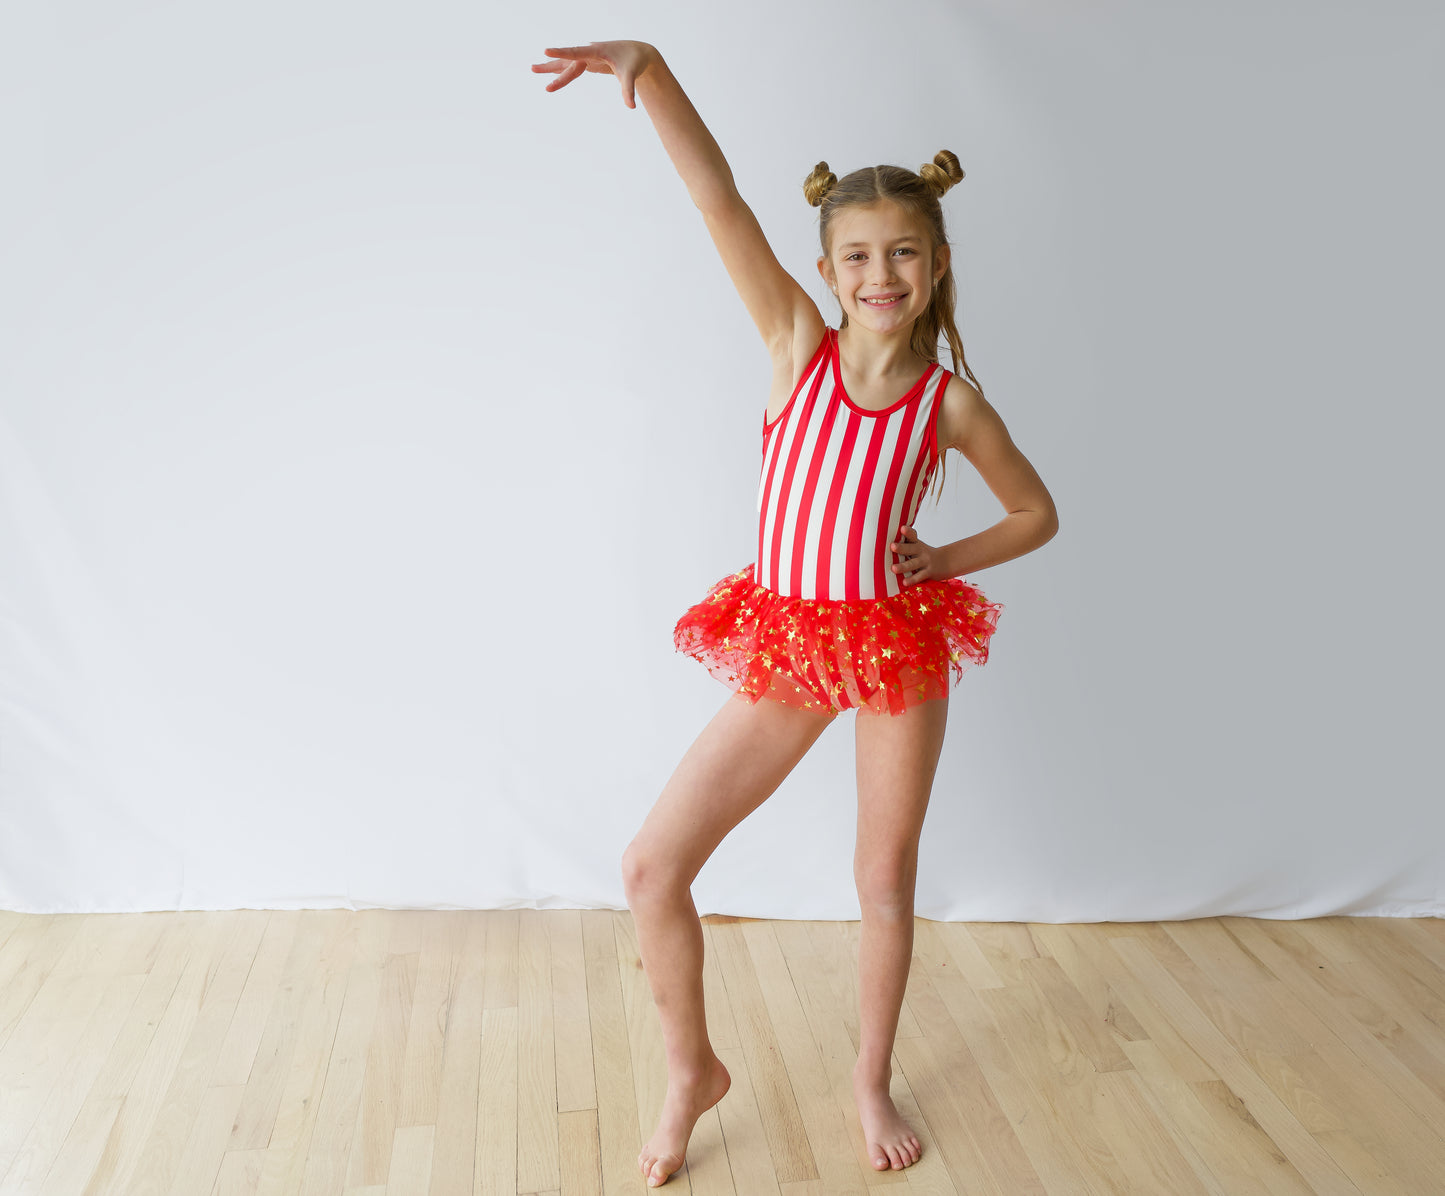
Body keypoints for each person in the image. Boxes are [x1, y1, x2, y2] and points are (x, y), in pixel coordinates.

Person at [532, 39, 1058, 1188]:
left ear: (935, 262)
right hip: (792, 641)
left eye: (902, 252)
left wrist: (941, 559)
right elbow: (712, 193)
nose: (880, 272)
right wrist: (653, 74)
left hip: (897, 647)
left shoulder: (947, 402)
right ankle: (689, 1070)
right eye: (857, 254)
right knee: (651, 864)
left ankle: (867, 1077)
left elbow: (1035, 513)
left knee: (882, 876)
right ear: (824, 269)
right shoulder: (794, 346)